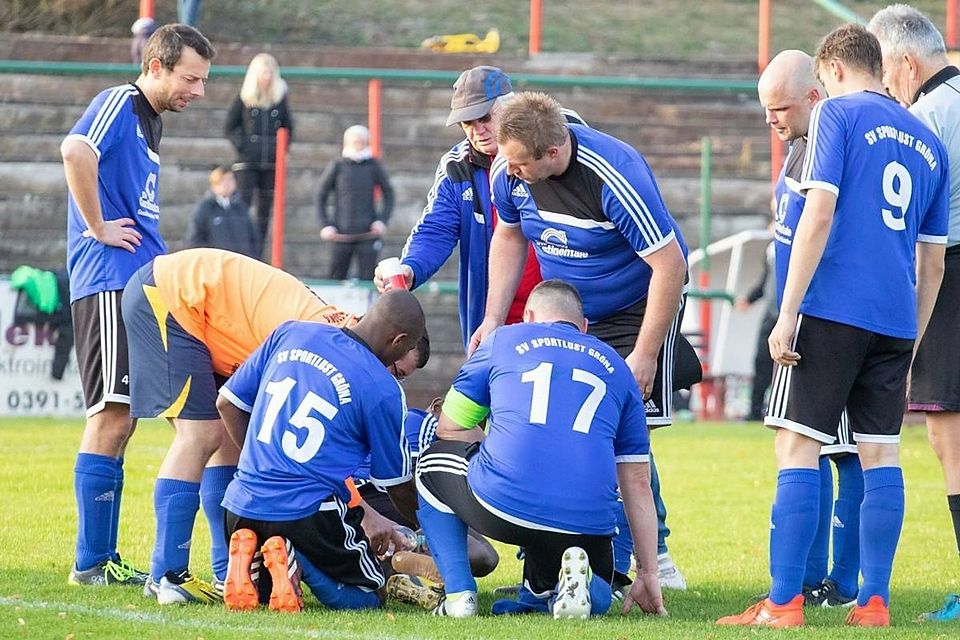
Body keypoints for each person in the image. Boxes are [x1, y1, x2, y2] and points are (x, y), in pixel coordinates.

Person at [718, 25, 948, 628]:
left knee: (796, 444)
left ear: (835, 72)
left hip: (831, 309)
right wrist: (914, 340)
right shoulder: (929, 140)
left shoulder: (836, 117)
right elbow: (934, 258)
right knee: (881, 456)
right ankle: (874, 602)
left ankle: (783, 601)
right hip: (896, 320)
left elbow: (818, 211)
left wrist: (787, 311)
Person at [475, 91, 692, 589]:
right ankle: (554, 567)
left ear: (552, 153)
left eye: (519, 164)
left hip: (633, 310)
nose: (509, 172)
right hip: (565, 316)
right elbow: (509, 237)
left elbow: (670, 265)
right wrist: (491, 318)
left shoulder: (614, 174)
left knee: (624, 440)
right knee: (560, 426)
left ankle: (648, 561)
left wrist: (644, 353)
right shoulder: (508, 170)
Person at [121, 248, 413, 604]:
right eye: (399, 369)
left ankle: (223, 568)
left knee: (225, 442)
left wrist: (262, 466)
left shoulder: (329, 333)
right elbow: (315, 458)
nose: (395, 377)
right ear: (394, 342)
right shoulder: (345, 358)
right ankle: (167, 573)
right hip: (173, 295)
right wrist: (364, 511)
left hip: (208, 312)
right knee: (201, 435)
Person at [61, 23, 215, 588]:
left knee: (130, 420)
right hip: (108, 282)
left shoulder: (148, 124)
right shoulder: (119, 102)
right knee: (111, 416)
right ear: (155, 66)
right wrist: (97, 226)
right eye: (190, 78)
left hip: (141, 287)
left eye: (203, 80)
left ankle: (101, 560)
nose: (198, 91)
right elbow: (75, 149)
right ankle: (89, 563)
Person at [412, 280, 666, 618]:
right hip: (587, 524)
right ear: (584, 327)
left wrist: (498, 453)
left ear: (527, 316)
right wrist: (649, 571)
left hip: (506, 504)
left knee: (430, 463)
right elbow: (636, 480)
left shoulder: (503, 339)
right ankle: (586, 586)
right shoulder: (616, 366)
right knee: (581, 573)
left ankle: (460, 596)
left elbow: (450, 426)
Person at [217, 290, 426, 612]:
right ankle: (298, 559)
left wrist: (265, 464)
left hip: (241, 502)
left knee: (264, 594)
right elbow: (395, 482)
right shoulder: (383, 389)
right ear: (398, 340)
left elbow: (227, 403)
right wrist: (423, 526)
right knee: (371, 594)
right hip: (307, 511)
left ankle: (262, 559)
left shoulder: (291, 332)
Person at [376, 66, 584, 351]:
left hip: (564, 312)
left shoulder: (560, 143)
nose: (478, 131)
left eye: (485, 118)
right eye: (467, 124)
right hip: (497, 320)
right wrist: (411, 267)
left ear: (511, 107)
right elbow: (436, 227)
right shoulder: (458, 167)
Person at [757, 49, 862, 608]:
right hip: (802, 321)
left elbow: (824, 231)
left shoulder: (830, 147)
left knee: (840, 451)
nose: (772, 120)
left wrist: (796, 312)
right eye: (766, 110)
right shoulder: (799, 149)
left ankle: (841, 583)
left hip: (826, 321)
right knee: (816, 449)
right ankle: (808, 580)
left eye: (780, 108)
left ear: (815, 96)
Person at [869, 4, 960, 623]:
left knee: (948, 435)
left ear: (905, 63)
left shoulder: (925, 116)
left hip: (949, 274)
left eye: (884, 75)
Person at [225, 53, 293, 255]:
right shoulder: (245, 98)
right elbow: (230, 126)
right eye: (264, 72)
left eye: (270, 72)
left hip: (271, 163)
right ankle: (240, 249)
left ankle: (258, 253)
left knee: (265, 210)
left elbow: (288, 127)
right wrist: (243, 146)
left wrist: (282, 150)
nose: (267, 76)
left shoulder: (279, 99)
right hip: (247, 162)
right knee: (243, 205)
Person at [317, 125, 394, 280]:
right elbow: (320, 195)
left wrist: (381, 221)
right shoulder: (337, 166)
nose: (358, 144)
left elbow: (389, 194)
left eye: (361, 141)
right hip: (341, 234)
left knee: (368, 279)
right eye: (354, 141)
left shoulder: (373, 166)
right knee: (336, 278)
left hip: (368, 235)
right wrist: (325, 224)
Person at [734, 237, 777, 421]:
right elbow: (766, 282)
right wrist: (750, 298)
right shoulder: (771, 247)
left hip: (795, 314)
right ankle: (755, 410)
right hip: (771, 315)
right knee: (762, 361)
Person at [186, 166, 259, 258]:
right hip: (215, 265)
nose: (227, 184)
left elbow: (253, 238)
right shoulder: (205, 208)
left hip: (240, 264)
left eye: (230, 179)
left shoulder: (241, 208)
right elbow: (195, 239)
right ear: (214, 185)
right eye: (223, 180)